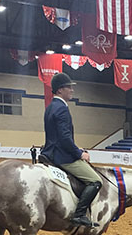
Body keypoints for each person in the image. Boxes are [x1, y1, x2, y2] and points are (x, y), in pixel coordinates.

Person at [41, 72, 102, 227]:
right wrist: (79, 153)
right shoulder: (62, 108)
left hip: (49, 152)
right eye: (68, 87)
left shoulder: (50, 107)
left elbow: (59, 137)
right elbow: (64, 138)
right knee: (95, 180)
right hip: (61, 156)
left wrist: (76, 147)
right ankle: (79, 214)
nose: (71, 90)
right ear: (60, 90)